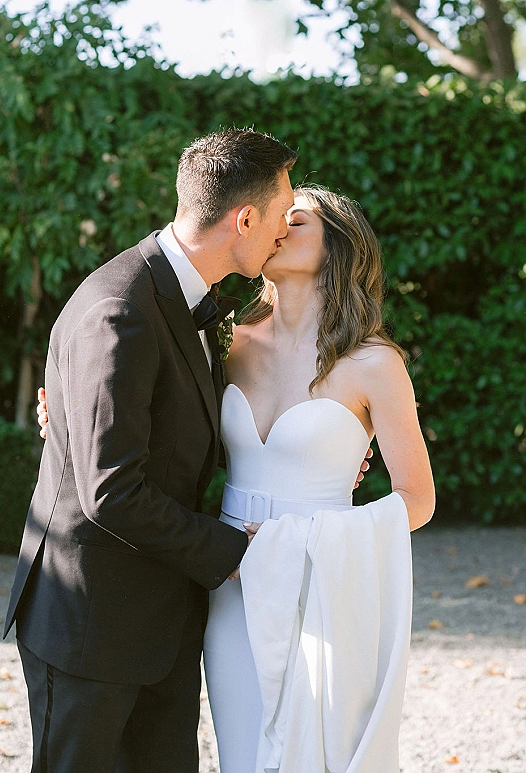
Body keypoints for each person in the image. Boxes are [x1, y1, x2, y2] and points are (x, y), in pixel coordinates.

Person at [3, 128, 301, 773]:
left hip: (159, 619)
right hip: (91, 625)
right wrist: (233, 554)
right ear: (244, 218)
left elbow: (179, 432)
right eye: (282, 214)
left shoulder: (192, 302)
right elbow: (110, 488)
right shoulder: (122, 308)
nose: (285, 230)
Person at [202, 185, 435, 773]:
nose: (276, 226)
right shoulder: (226, 340)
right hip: (231, 578)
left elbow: (417, 499)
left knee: (320, 755)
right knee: (244, 753)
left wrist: (309, 538)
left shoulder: (373, 363)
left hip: (326, 581)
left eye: (295, 219)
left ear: (337, 245)